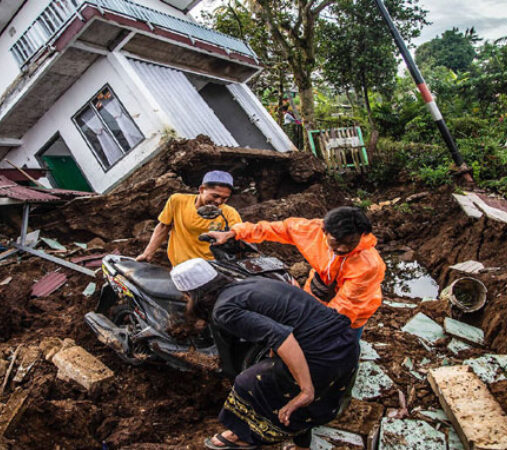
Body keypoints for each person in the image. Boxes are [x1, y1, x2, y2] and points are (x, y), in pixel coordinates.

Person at [170, 258, 358, 450]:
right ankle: (302, 440)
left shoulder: (223, 310)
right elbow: (282, 321)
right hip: (346, 343)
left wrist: (305, 390)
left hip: (322, 355)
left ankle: (243, 435)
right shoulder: (249, 284)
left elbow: (281, 336)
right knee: (275, 376)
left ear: (191, 295)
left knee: (247, 382)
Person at [205, 207, 385, 338]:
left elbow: (344, 310)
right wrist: (233, 233)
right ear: (324, 231)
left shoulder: (368, 266)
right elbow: (275, 228)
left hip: (351, 315)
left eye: (350, 242)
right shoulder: (311, 231)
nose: (342, 248)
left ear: (362, 235)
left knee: (342, 345)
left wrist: (309, 330)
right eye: (336, 241)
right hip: (316, 292)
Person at [136, 171, 242, 265]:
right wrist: (147, 254)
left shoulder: (229, 212)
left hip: (210, 267)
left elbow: (239, 230)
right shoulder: (178, 201)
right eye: (215, 196)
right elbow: (164, 227)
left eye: (224, 198)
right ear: (201, 189)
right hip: (180, 267)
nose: (219, 201)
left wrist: (227, 234)